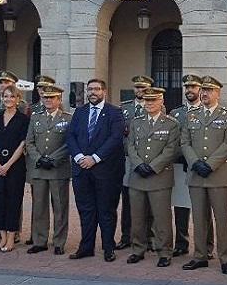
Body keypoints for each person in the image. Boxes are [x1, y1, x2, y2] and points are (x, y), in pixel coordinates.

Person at [180, 76, 227, 275]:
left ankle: (226, 258)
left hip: (218, 174)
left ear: (218, 93)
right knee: (199, 217)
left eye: (209, 90)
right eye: (203, 90)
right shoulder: (191, 115)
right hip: (196, 174)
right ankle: (200, 256)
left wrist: (210, 165)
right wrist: (195, 162)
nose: (204, 93)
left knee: (221, 218)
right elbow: (184, 142)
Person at [65, 78, 126, 262]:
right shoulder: (80, 112)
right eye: (90, 89)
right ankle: (86, 247)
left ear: (104, 92)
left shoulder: (115, 113)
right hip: (81, 170)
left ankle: (108, 248)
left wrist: (95, 158)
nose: (93, 92)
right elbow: (70, 136)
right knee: (86, 210)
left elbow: (115, 139)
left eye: (97, 89)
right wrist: (78, 157)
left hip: (106, 172)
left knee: (106, 211)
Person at [125, 87, 180, 267]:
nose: (149, 104)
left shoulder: (171, 124)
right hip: (138, 176)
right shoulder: (136, 122)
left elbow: (171, 150)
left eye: (153, 101)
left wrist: (153, 166)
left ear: (161, 102)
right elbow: (130, 146)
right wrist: (139, 164)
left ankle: (164, 251)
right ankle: (137, 249)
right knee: (137, 217)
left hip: (159, 177)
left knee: (161, 217)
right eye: (147, 101)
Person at [23, 84, 72, 255]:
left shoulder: (68, 118)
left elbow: (69, 143)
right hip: (38, 168)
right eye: (45, 98)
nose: (48, 100)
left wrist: (52, 159)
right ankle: (39, 240)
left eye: (52, 98)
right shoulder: (35, 118)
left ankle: (59, 242)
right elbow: (29, 142)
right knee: (39, 207)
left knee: (60, 207)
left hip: (58, 169)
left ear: (59, 99)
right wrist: (39, 158)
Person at [168, 74, 213, 258]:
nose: (189, 90)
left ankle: (207, 247)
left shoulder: (208, 111)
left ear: (201, 90)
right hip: (181, 166)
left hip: (203, 167)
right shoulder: (176, 113)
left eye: (193, 87)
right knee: (180, 207)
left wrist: (198, 162)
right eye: (186, 87)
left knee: (203, 209)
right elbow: (173, 141)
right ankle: (181, 243)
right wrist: (186, 158)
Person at [0, 84, 29, 252]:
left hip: (15, 167)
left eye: (12, 96)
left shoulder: (23, 119)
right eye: (6, 96)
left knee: (13, 202)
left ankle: (11, 239)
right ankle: (2, 238)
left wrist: (8, 164)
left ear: (18, 99)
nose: (8, 99)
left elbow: (22, 144)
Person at [118, 75, 154, 250]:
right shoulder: (124, 109)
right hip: (127, 160)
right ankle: (126, 236)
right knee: (127, 200)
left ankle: (149, 237)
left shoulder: (156, 107)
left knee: (148, 200)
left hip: (148, 161)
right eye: (137, 87)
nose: (140, 91)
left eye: (144, 87)